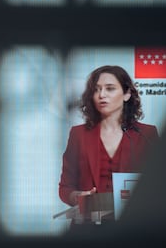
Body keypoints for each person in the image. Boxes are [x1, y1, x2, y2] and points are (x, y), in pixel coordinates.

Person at [59, 65, 159, 207]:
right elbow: (65, 188)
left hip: (132, 223)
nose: (102, 95)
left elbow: (159, 183)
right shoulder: (78, 134)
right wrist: (77, 197)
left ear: (127, 94)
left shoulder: (147, 134)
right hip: (89, 225)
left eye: (110, 88)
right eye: (96, 89)